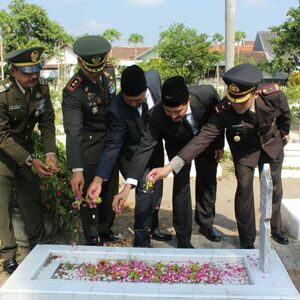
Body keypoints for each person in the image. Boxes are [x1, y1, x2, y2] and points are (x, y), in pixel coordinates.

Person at [148, 63, 291, 249]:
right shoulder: (224, 110)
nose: (236, 105)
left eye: (241, 101)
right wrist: (169, 167)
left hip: (272, 144)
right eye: (233, 100)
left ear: (255, 94)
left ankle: (276, 228)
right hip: (244, 150)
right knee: (244, 188)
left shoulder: (273, 96)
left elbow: (285, 113)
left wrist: (285, 132)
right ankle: (247, 239)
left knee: (274, 186)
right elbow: (203, 138)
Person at [113, 76, 224, 248]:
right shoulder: (156, 115)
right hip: (177, 143)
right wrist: (127, 187)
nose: (172, 116)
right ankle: (183, 239)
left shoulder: (207, 94)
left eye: (177, 111)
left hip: (206, 142)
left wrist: (218, 144)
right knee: (181, 187)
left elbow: (218, 119)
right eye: (168, 111)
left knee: (207, 181)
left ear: (188, 100)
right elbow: (144, 148)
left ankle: (206, 224)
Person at [86, 65, 172, 247]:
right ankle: (141, 242)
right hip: (131, 154)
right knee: (144, 186)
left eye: (138, 100)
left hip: (154, 148)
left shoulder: (154, 79)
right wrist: (99, 179)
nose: (133, 104)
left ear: (146, 89)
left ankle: (152, 227)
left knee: (155, 188)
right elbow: (113, 145)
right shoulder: (116, 108)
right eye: (129, 100)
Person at [0, 47, 58, 274]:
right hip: (3, 157)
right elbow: (2, 136)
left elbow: (47, 123)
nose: (34, 76)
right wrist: (32, 160)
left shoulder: (41, 90)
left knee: (31, 201)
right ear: (13, 70)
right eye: (27, 72)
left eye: (36, 70)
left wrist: (50, 153)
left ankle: (38, 246)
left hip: (26, 152)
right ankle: (8, 255)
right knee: (3, 207)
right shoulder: (3, 94)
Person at [62, 35, 119, 246]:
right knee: (90, 196)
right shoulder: (73, 90)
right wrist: (76, 168)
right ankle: (92, 235)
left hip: (111, 144)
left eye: (99, 69)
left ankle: (105, 229)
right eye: (90, 70)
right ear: (80, 63)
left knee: (110, 188)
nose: (95, 74)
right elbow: (73, 131)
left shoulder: (109, 73)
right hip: (89, 147)